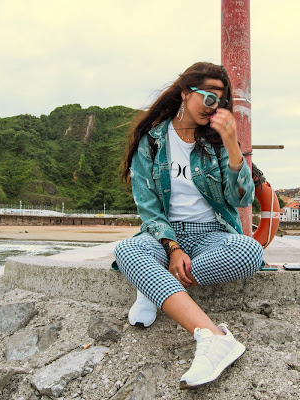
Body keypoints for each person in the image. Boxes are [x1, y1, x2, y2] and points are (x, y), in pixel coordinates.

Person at [114, 61, 264, 390]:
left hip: (212, 235)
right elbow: (149, 208)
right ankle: (214, 337)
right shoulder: (152, 142)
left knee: (250, 252)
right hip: (163, 235)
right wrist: (173, 248)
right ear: (185, 92)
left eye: (221, 101)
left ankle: (152, 285)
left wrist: (232, 145)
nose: (214, 107)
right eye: (208, 97)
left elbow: (241, 199)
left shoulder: (216, 142)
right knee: (127, 249)